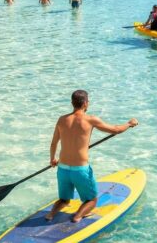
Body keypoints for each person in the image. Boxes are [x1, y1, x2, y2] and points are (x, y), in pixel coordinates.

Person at [45, 89, 138, 223]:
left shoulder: (62, 119)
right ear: (86, 104)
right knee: (92, 200)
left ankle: (50, 215)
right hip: (80, 170)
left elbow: (54, 143)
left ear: (72, 103)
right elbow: (116, 130)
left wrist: (52, 159)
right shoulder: (90, 120)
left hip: (63, 168)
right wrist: (129, 124)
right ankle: (77, 216)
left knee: (64, 200)